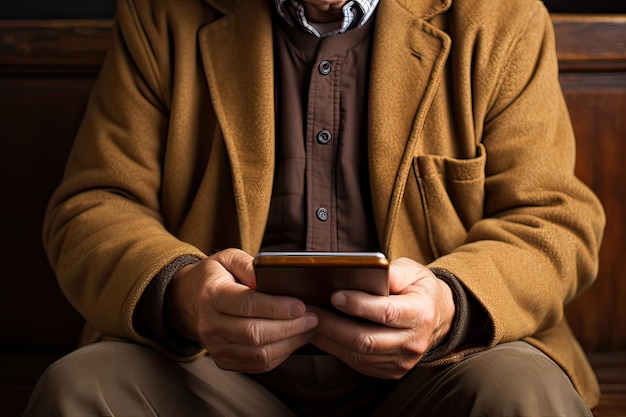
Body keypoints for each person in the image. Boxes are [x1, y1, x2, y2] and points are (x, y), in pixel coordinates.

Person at [24, 0, 605, 415]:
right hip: (212, 372)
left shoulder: (501, 16)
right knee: (82, 388)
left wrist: (448, 306)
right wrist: (182, 294)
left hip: (437, 374)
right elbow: (94, 207)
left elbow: (554, 220)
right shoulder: (160, 12)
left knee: (523, 397)